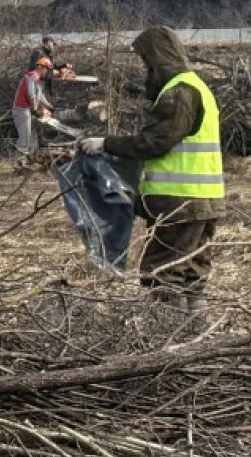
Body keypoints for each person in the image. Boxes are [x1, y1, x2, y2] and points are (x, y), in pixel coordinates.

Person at [77, 26, 224, 317]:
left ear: (157, 58)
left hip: (179, 201)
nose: (145, 68)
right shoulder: (197, 86)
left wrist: (106, 144)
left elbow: (155, 142)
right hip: (205, 200)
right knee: (192, 273)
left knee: (162, 274)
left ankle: (165, 336)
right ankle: (196, 333)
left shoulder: (179, 92)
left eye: (146, 61)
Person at [13, 57, 54, 166]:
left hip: (28, 110)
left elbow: (40, 97)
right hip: (21, 110)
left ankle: (31, 161)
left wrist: (50, 106)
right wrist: (35, 109)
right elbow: (32, 95)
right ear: (41, 67)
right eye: (47, 69)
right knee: (25, 137)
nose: (47, 71)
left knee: (33, 136)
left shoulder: (38, 79)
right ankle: (18, 164)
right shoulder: (31, 76)